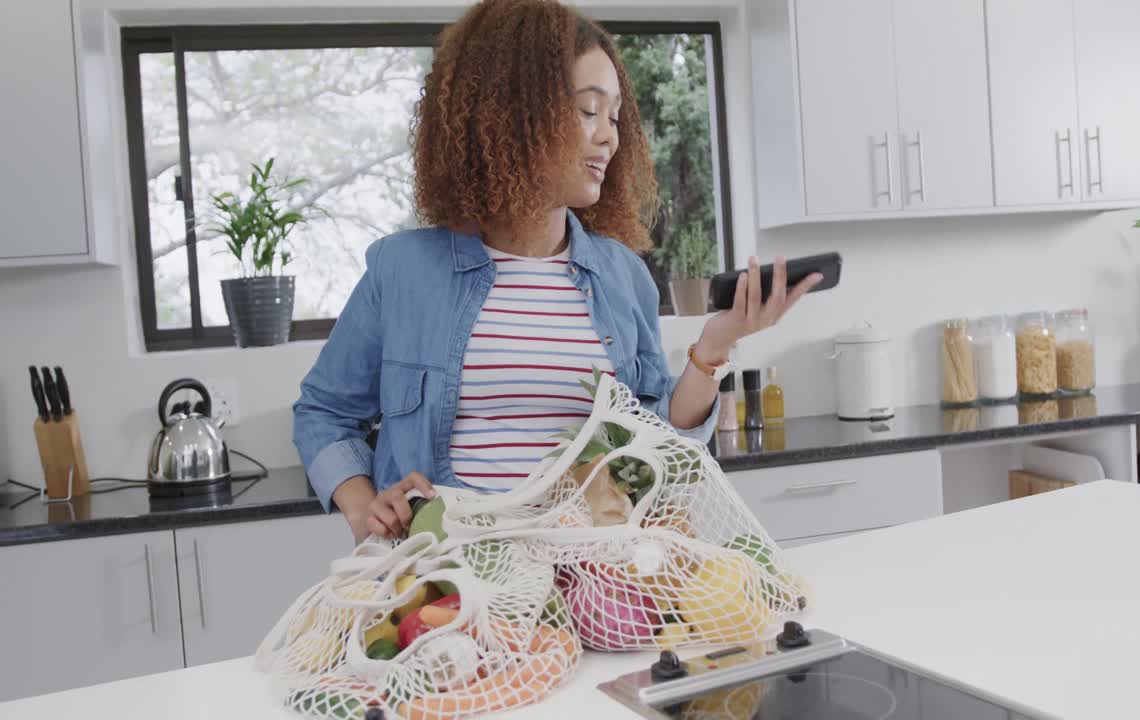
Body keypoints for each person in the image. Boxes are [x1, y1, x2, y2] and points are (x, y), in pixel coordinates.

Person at [293, 0, 821, 542]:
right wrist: (362, 507)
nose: (610, 137)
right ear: (511, 113)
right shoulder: (401, 271)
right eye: (589, 111)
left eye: (614, 117)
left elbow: (660, 445)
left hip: (595, 573)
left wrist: (714, 347)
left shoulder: (623, 276)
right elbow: (323, 413)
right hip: (449, 575)